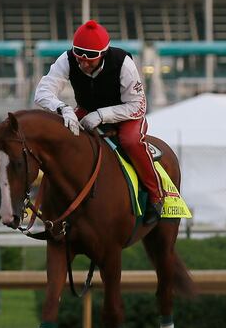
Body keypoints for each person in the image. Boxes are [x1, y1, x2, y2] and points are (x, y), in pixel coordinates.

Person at [34, 20, 164, 225]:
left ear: (102, 54)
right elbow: (42, 92)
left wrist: (102, 115)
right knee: (61, 135)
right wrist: (63, 108)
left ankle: (157, 196)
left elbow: (137, 105)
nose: (84, 64)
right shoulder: (66, 59)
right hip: (86, 110)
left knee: (130, 141)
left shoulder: (124, 63)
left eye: (91, 59)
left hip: (126, 113)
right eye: (80, 58)